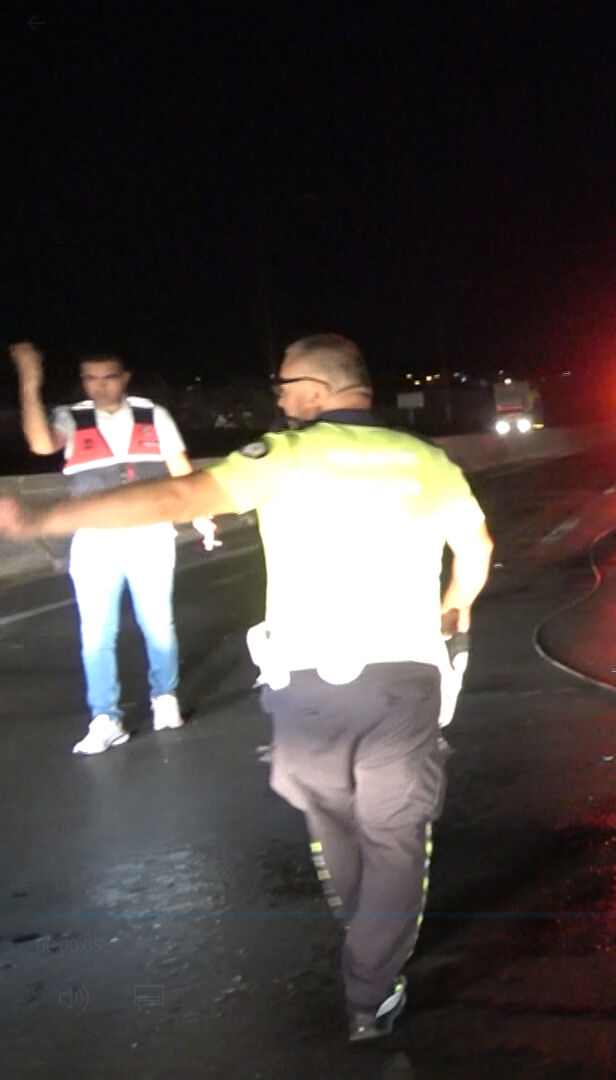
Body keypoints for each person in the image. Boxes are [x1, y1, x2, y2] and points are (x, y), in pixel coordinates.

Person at [0, 333, 493, 1042]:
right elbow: (476, 552)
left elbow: (177, 495)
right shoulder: (430, 461)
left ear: (315, 393)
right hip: (403, 677)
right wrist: (451, 608)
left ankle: (367, 948)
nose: (279, 398)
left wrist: (44, 518)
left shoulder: (283, 456)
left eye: (284, 386)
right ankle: (371, 990)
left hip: (306, 685)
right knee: (395, 839)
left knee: (334, 822)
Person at [10, 342, 218, 753]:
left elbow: (180, 471)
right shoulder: (70, 418)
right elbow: (40, 444)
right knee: (96, 632)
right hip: (95, 540)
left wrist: (200, 515)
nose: (100, 386)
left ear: (124, 379)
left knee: (158, 623)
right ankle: (105, 717)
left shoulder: (153, 415)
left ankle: (165, 699)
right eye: (91, 378)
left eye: (108, 378)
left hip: (150, 535)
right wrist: (30, 381)